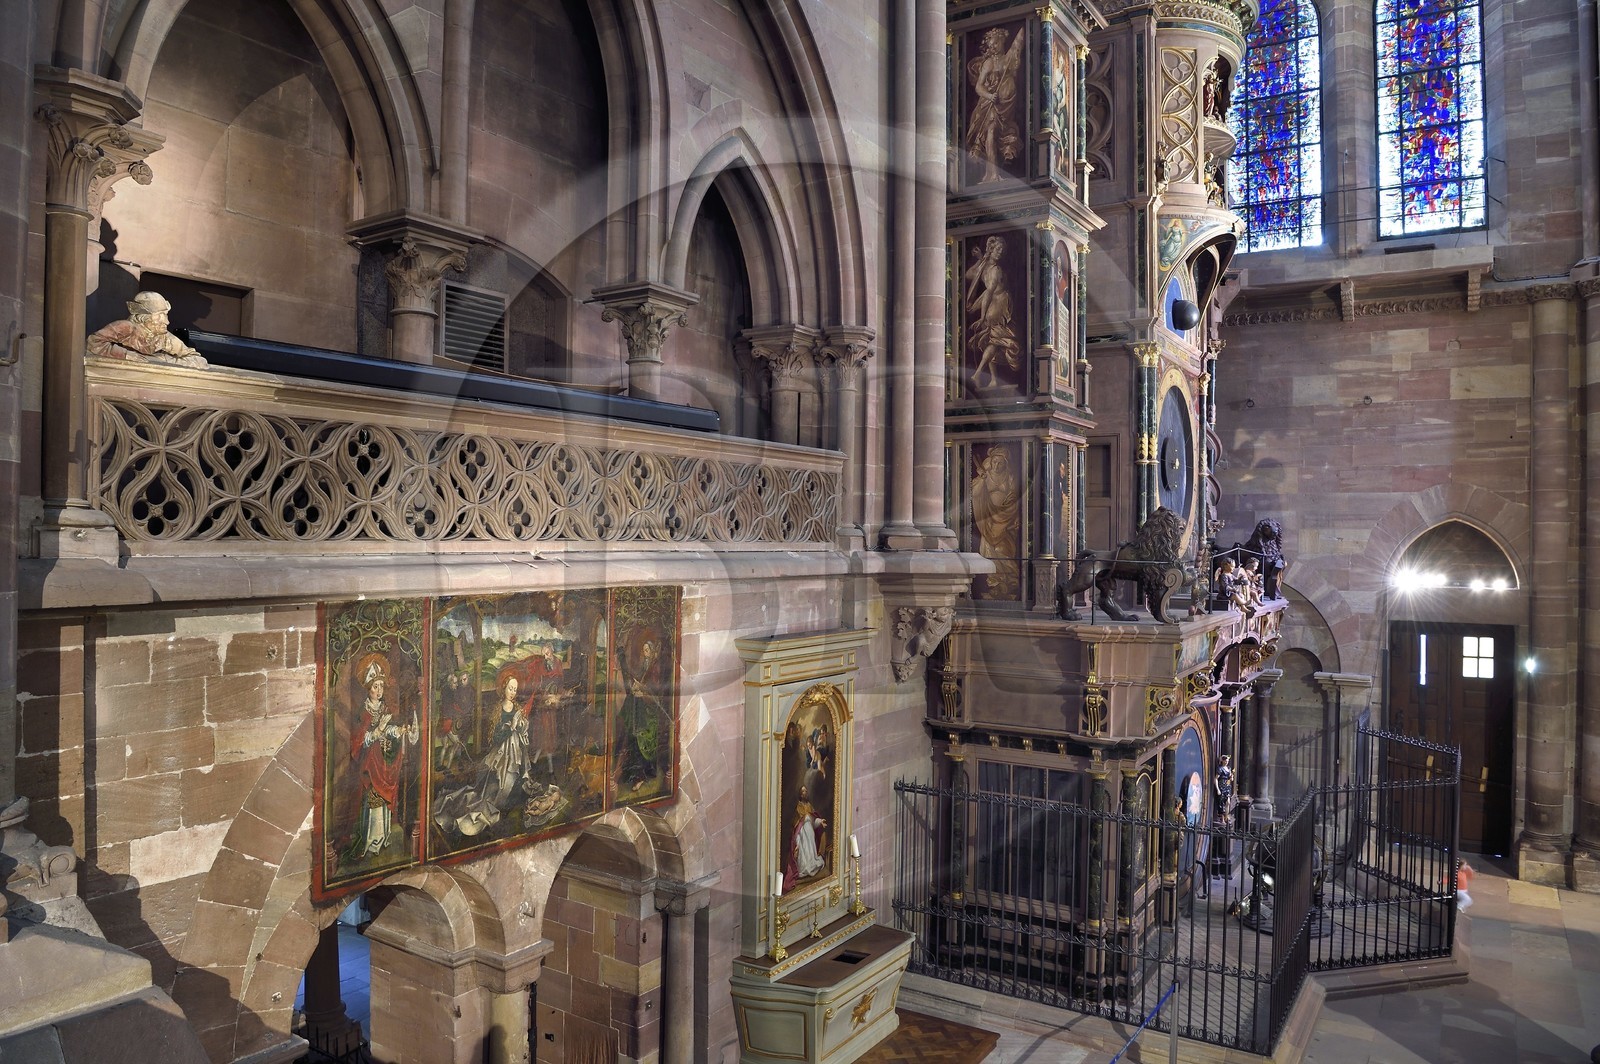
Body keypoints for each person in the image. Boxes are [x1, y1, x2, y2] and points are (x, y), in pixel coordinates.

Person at [346, 657, 419, 859]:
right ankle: (371, 842)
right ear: (368, 688)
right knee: (373, 802)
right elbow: (361, 741)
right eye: (375, 686)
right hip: (370, 764)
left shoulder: (384, 708)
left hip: (385, 763)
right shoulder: (363, 712)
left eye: (380, 686)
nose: (379, 690)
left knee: (384, 804)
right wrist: (378, 730)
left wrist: (399, 730)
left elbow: (389, 731)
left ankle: (383, 838)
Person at [86, 291, 208, 367]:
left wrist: (164, 360)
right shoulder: (126, 328)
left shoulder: (164, 337)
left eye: (165, 315)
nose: (166, 321)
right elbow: (93, 343)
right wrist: (126, 354)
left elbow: (198, 360)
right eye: (160, 316)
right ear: (144, 317)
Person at [965, 26, 1024, 184]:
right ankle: (991, 174)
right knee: (990, 131)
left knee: (999, 133)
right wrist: (990, 95)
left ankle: (994, 173)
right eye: (991, 45)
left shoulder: (1008, 59)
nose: (993, 47)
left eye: (996, 43)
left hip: (1007, 105)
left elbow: (1019, 42)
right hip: (990, 104)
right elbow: (979, 86)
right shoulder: (989, 63)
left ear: (1002, 41)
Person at [964, 236, 1020, 390]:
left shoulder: (987, 267)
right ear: (991, 250)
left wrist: (980, 257)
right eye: (997, 249)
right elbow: (988, 291)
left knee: (992, 340)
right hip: (998, 306)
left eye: (1002, 250)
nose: (1000, 253)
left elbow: (974, 274)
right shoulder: (994, 270)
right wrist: (982, 317)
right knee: (999, 339)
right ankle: (977, 373)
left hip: (995, 305)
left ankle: (993, 380)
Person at [971, 447, 1022, 598]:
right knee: (988, 551)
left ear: (1006, 464)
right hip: (987, 520)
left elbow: (1014, 498)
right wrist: (981, 480)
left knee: (1003, 550)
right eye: (994, 462)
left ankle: (1010, 582)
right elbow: (974, 493)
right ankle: (994, 583)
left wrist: (1006, 516)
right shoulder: (985, 475)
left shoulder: (1010, 477)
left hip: (1006, 521)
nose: (996, 465)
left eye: (1000, 463)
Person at [482, 673, 531, 807]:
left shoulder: (517, 708)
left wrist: (520, 725)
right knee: (502, 783)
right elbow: (496, 738)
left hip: (517, 752)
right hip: (502, 753)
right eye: (510, 688)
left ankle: (514, 802)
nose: (512, 692)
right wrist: (511, 727)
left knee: (518, 779)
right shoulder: (498, 710)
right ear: (504, 688)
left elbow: (523, 729)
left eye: (515, 689)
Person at [785, 784, 828, 889]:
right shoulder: (798, 807)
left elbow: (813, 820)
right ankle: (804, 868)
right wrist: (797, 842)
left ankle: (811, 865)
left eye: (805, 791)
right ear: (800, 794)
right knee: (804, 851)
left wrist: (820, 821)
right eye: (803, 791)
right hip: (803, 832)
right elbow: (797, 824)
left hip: (810, 833)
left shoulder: (809, 805)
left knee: (811, 852)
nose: (804, 793)